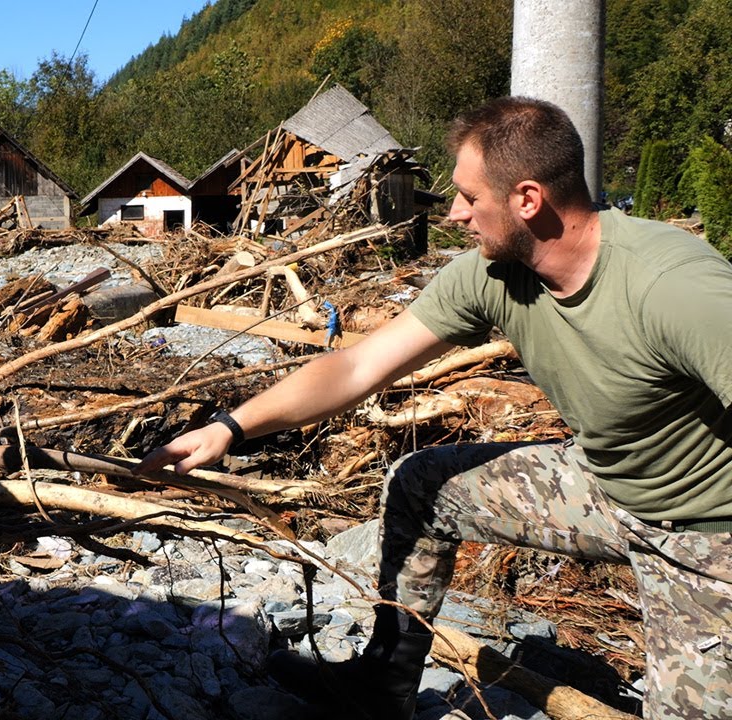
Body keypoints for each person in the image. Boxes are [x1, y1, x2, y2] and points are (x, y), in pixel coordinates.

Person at [136, 96, 732, 720]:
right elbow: (358, 365)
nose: (454, 214)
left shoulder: (672, 286)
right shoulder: (494, 275)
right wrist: (229, 427)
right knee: (420, 484)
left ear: (527, 200)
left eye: (470, 198)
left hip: (707, 533)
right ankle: (381, 686)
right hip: (609, 487)